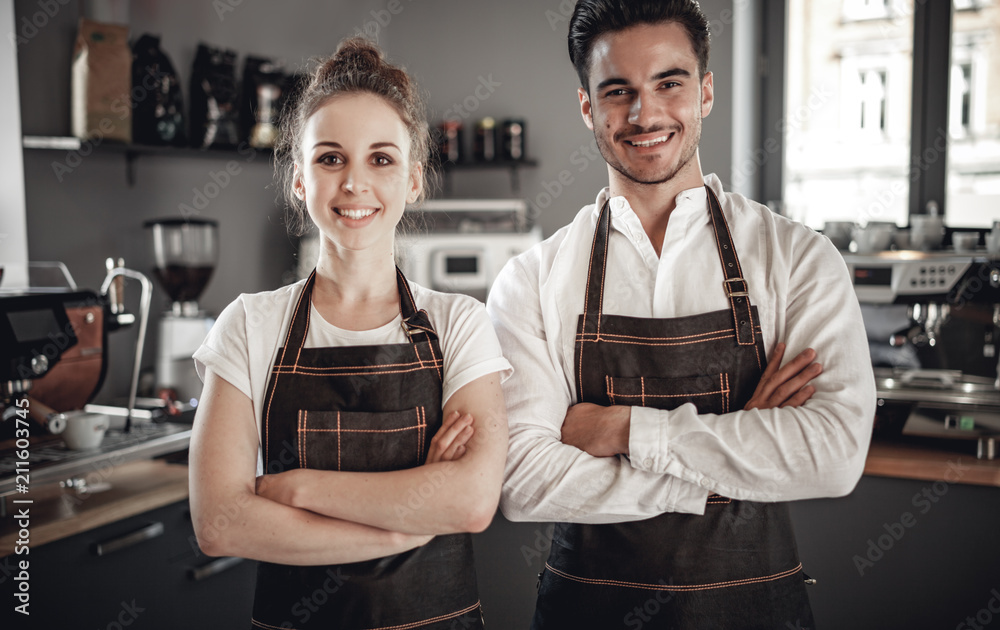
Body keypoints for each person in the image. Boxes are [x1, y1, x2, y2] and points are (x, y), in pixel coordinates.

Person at [486, 1, 876, 628]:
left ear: (706, 92)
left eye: (669, 83)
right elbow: (523, 482)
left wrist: (621, 432)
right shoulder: (530, 281)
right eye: (618, 92)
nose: (645, 114)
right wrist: (739, 452)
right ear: (587, 106)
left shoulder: (797, 259)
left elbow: (831, 456)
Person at [188, 38, 510, 630]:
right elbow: (220, 524)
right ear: (299, 180)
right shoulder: (250, 326)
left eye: (381, 159)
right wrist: (407, 517)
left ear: (413, 180)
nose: (355, 183)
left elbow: (469, 501)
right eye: (330, 158)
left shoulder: (460, 324)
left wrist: (297, 488)